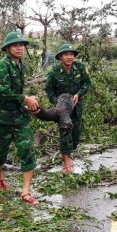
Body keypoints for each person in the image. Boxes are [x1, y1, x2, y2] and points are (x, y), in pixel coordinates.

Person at [0, 31, 40, 205]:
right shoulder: (1, 67)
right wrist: (25, 99)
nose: (19, 48)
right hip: (3, 118)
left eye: (21, 45)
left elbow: (16, 92)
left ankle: (26, 192)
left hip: (19, 117)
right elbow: (3, 93)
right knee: (0, 154)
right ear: (7, 48)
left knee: (27, 150)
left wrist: (26, 106)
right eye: (15, 45)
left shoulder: (21, 66)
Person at [45, 43, 91, 173]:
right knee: (65, 133)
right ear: (60, 56)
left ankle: (67, 155)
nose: (69, 57)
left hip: (77, 108)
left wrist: (79, 94)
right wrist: (57, 103)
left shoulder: (80, 68)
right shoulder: (54, 72)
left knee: (75, 136)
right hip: (63, 110)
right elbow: (49, 90)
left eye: (71, 54)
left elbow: (87, 83)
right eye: (66, 54)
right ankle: (66, 163)